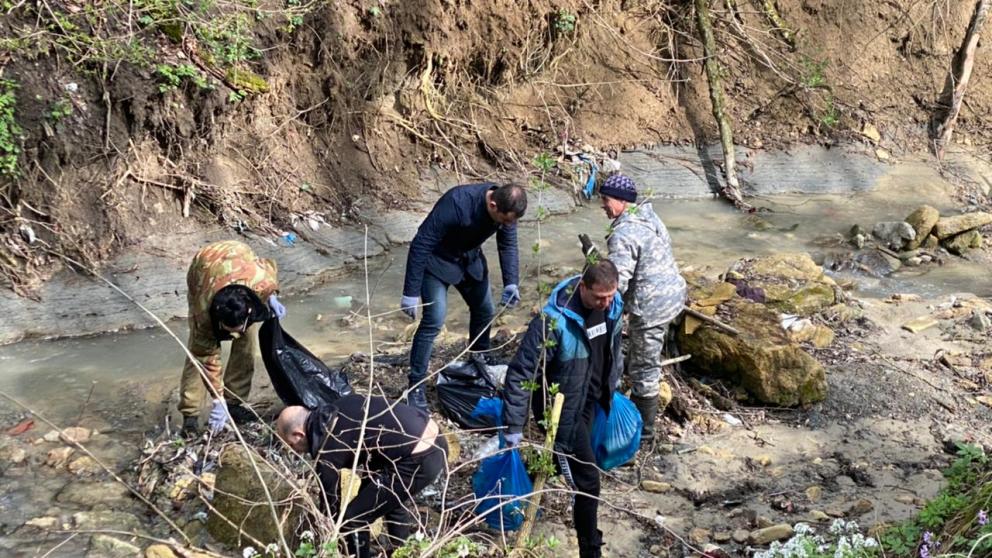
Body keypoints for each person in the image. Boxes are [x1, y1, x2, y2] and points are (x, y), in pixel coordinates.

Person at [501, 260, 624, 558]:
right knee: (588, 481)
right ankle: (590, 550)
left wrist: (614, 386)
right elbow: (521, 372)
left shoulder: (614, 304)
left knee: (567, 464)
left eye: (610, 296)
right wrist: (514, 426)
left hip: (592, 401)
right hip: (560, 413)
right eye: (599, 297)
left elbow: (613, 349)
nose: (605, 303)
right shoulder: (552, 320)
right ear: (582, 287)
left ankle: (524, 477)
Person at [400, 182, 528, 411]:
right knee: (434, 320)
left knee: (485, 310)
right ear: (493, 204)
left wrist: (511, 283)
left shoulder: (508, 210)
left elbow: (508, 245)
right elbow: (422, 242)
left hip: (470, 261)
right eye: (506, 220)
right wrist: (410, 291)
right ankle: (415, 384)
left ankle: (479, 359)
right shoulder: (457, 203)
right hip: (437, 263)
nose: (509, 225)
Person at [276, 395, 448, 558]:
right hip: (432, 437)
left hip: (421, 456)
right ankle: (402, 551)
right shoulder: (340, 405)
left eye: (291, 445)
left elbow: (330, 507)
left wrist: (331, 542)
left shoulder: (327, 451)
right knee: (384, 498)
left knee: (353, 518)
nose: (294, 451)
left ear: (299, 434)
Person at [599, 174, 687, 443]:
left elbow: (616, 283)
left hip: (651, 306)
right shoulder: (648, 215)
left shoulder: (624, 233)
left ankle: (643, 432)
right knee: (642, 355)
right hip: (674, 294)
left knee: (645, 368)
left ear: (622, 202)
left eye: (606, 200)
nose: (603, 206)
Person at [179, 240, 287, 435]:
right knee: (198, 355)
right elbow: (209, 361)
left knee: (246, 344)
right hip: (203, 267)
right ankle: (190, 415)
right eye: (227, 329)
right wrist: (216, 401)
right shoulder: (202, 315)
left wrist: (271, 296)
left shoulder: (260, 280)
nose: (232, 334)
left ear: (249, 309)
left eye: (236, 328)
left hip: (239, 255)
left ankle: (234, 403)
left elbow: (270, 270)